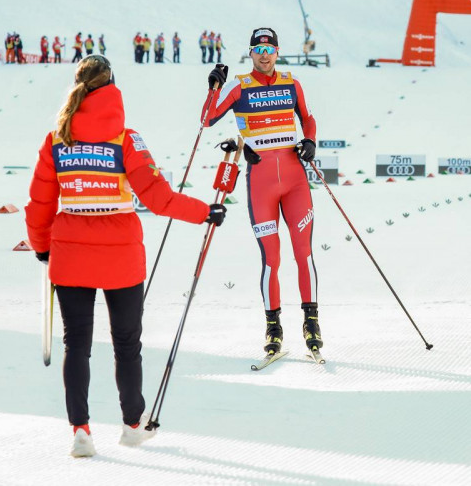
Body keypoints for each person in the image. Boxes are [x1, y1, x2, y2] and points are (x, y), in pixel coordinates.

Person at [25, 55, 226, 458]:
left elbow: (39, 205)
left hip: (71, 255)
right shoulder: (126, 139)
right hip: (121, 255)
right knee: (126, 344)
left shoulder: (56, 139)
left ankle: (80, 431)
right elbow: (158, 197)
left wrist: (43, 247)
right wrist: (205, 212)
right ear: (113, 86)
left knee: (76, 344)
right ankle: (132, 424)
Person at [202, 28, 321, 356]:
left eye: (269, 49)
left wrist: (309, 141)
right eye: (258, 49)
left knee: (303, 253)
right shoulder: (239, 86)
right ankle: (273, 327)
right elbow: (207, 119)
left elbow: (308, 118)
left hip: (295, 181)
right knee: (272, 258)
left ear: (278, 52)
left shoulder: (291, 82)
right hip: (261, 185)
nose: (264, 55)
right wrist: (213, 86)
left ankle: (311, 322)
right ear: (251, 53)